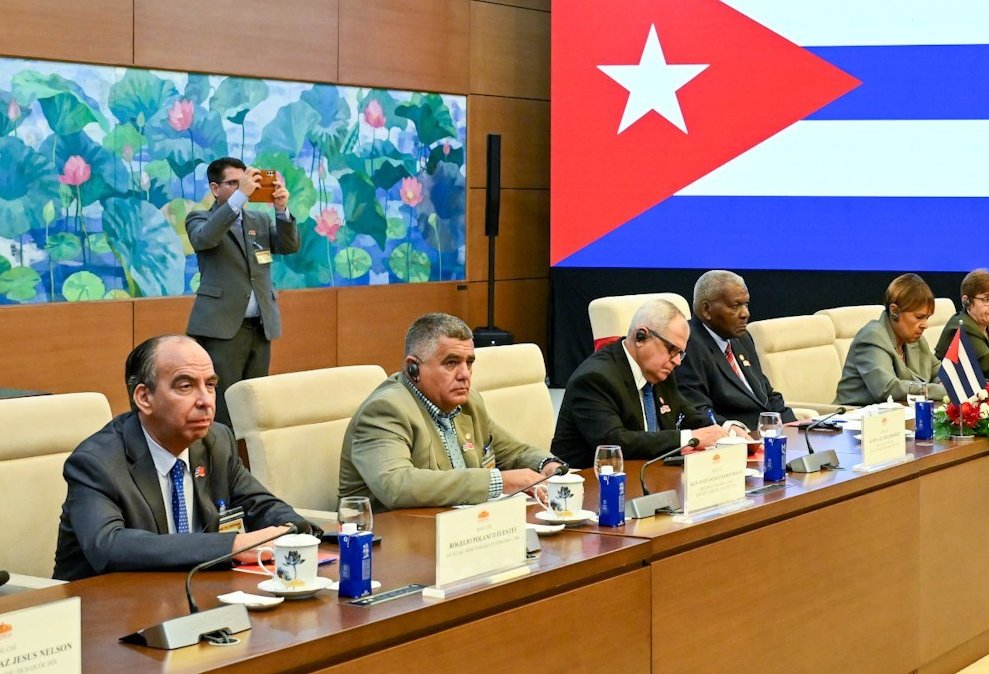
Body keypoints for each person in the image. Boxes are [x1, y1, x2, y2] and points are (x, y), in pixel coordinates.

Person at [53, 335, 305, 580]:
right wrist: (232, 545)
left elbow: (261, 505)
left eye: (210, 385)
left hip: (193, 598)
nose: (205, 401)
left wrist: (293, 530)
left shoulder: (216, 441)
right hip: (103, 609)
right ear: (144, 398)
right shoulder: (97, 462)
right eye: (186, 386)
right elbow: (109, 547)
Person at [338, 313, 565, 512]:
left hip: (460, 530)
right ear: (413, 368)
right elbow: (397, 486)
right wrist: (498, 481)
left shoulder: (468, 402)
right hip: (393, 541)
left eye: (469, 363)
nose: (464, 374)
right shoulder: (386, 410)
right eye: (451, 363)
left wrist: (548, 465)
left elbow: (511, 452)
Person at [184, 157, 300, 427]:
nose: (242, 188)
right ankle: (223, 462)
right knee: (223, 404)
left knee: (256, 401)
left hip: (260, 326)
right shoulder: (200, 218)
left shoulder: (257, 219)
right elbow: (205, 238)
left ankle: (250, 461)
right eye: (233, 183)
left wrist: (281, 210)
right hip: (223, 328)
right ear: (215, 188)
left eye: (244, 182)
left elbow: (288, 246)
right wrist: (239, 198)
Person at [551, 298, 732, 469]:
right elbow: (614, 443)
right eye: (672, 350)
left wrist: (727, 429)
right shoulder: (595, 379)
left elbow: (687, 414)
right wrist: (689, 438)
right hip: (592, 486)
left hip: (650, 475)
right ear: (641, 337)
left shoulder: (660, 372)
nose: (677, 361)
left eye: (681, 353)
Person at [676, 270, 801, 427]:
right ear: (707, 310)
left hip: (767, 436)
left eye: (746, 304)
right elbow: (698, 411)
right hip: (735, 442)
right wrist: (735, 432)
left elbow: (766, 393)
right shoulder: (688, 344)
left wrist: (796, 429)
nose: (746, 314)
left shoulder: (742, 338)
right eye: (735, 306)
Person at [836, 273, 949, 406]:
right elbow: (887, 389)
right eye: (919, 317)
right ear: (894, 311)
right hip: (853, 418)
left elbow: (941, 373)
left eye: (927, 318)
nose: (925, 325)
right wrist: (942, 391)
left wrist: (942, 383)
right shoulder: (872, 338)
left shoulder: (917, 341)